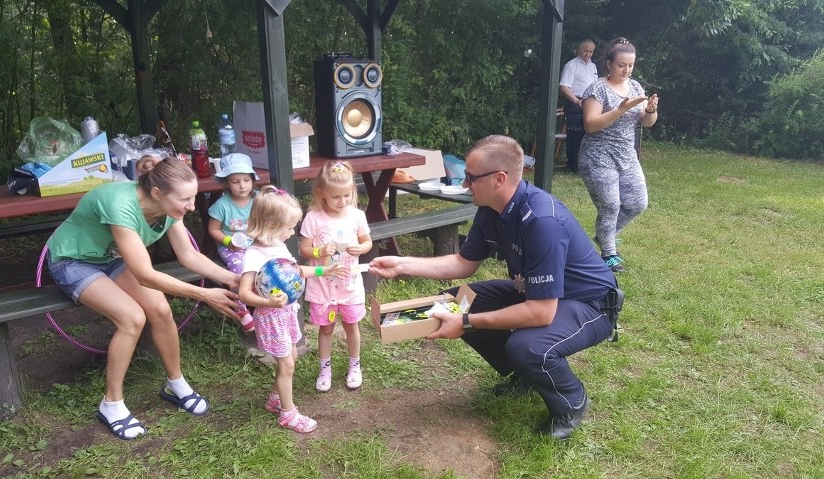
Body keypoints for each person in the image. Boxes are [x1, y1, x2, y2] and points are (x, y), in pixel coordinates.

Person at [369, 135, 622, 440]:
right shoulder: (491, 209)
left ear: (500, 179)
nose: (465, 184)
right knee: (455, 301)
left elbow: (541, 313)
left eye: (471, 177)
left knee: (526, 345)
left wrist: (464, 322)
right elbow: (463, 263)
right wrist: (403, 264)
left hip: (590, 305)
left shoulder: (543, 222)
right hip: (537, 294)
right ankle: (528, 373)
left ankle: (572, 401)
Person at [46, 157, 241, 440]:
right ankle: (111, 404)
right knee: (131, 318)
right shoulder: (121, 205)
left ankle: (176, 383)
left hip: (110, 258)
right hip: (73, 261)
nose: (190, 206)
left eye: (193, 197)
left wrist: (230, 279)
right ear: (157, 193)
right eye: (184, 199)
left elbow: (188, 255)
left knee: (160, 310)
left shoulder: (170, 209)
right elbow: (145, 275)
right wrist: (204, 293)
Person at [238, 185, 345, 433]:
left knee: (292, 357)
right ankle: (288, 414)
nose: (292, 232)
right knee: (286, 364)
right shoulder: (254, 254)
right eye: (289, 227)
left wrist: (324, 270)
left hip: (287, 313)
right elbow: (244, 293)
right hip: (271, 316)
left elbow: (297, 272)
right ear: (272, 226)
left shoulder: (279, 247)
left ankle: (276, 398)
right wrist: (266, 302)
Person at [579, 37, 659, 272]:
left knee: (638, 203)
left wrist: (651, 111)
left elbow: (646, 122)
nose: (627, 70)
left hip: (626, 155)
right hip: (598, 156)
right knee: (611, 205)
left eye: (631, 65)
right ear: (609, 64)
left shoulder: (635, 87)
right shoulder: (597, 89)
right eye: (621, 65)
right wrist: (620, 109)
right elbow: (590, 125)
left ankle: (605, 236)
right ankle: (609, 254)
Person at [299, 161, 373, 392]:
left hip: (349, 285)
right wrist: (320, 252)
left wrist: (361, 249)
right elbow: (304, 249)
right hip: (323, 288)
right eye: (336, 197)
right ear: (322, 194)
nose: (343, 201)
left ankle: (354, 365)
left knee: (352, 326)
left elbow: (367, 241)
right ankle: (325, 367)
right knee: (326, 328)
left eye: (347, 195)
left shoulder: (357, 215)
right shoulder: (313, 218)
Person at [207, 153, 259, 333]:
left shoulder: (258, 200)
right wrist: (229, 241)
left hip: (256, 244)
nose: (242, 185)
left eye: (246, 180)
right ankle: (241, 309)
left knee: (267, 267)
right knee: (238, 271)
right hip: (232, 248)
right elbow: (213, 230)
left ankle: (263, 305)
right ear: (227, 183)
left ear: (253, 180)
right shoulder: (222, 205)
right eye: (235, 181)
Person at [559, 39, 598, 173]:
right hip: (575, 104)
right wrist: (576, 101)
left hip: (591, 104)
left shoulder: (593, 67)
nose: (588, 54)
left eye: (591, 51)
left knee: (591, 134)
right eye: (585, 51)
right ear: (579, 50)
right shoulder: (571, 65)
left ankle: (588, 166)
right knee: (576, 136)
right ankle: (573, 166)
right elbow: (564, 87)